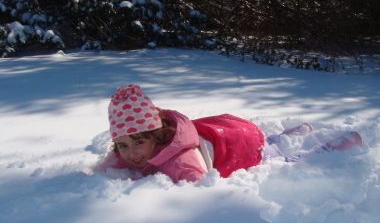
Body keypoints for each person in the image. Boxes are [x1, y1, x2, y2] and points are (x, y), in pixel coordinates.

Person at [107, 84, 362, 183]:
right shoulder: (137, 152)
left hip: (238, 146)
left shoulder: (180, 162)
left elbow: (197, 188)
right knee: (270, 144)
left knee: (276, 161)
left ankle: (327, 149)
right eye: (122, 146)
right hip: (227, 133)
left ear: (158, 135)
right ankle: (295, 133)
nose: (130, 153)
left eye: (138, 142)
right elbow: (122, 160)